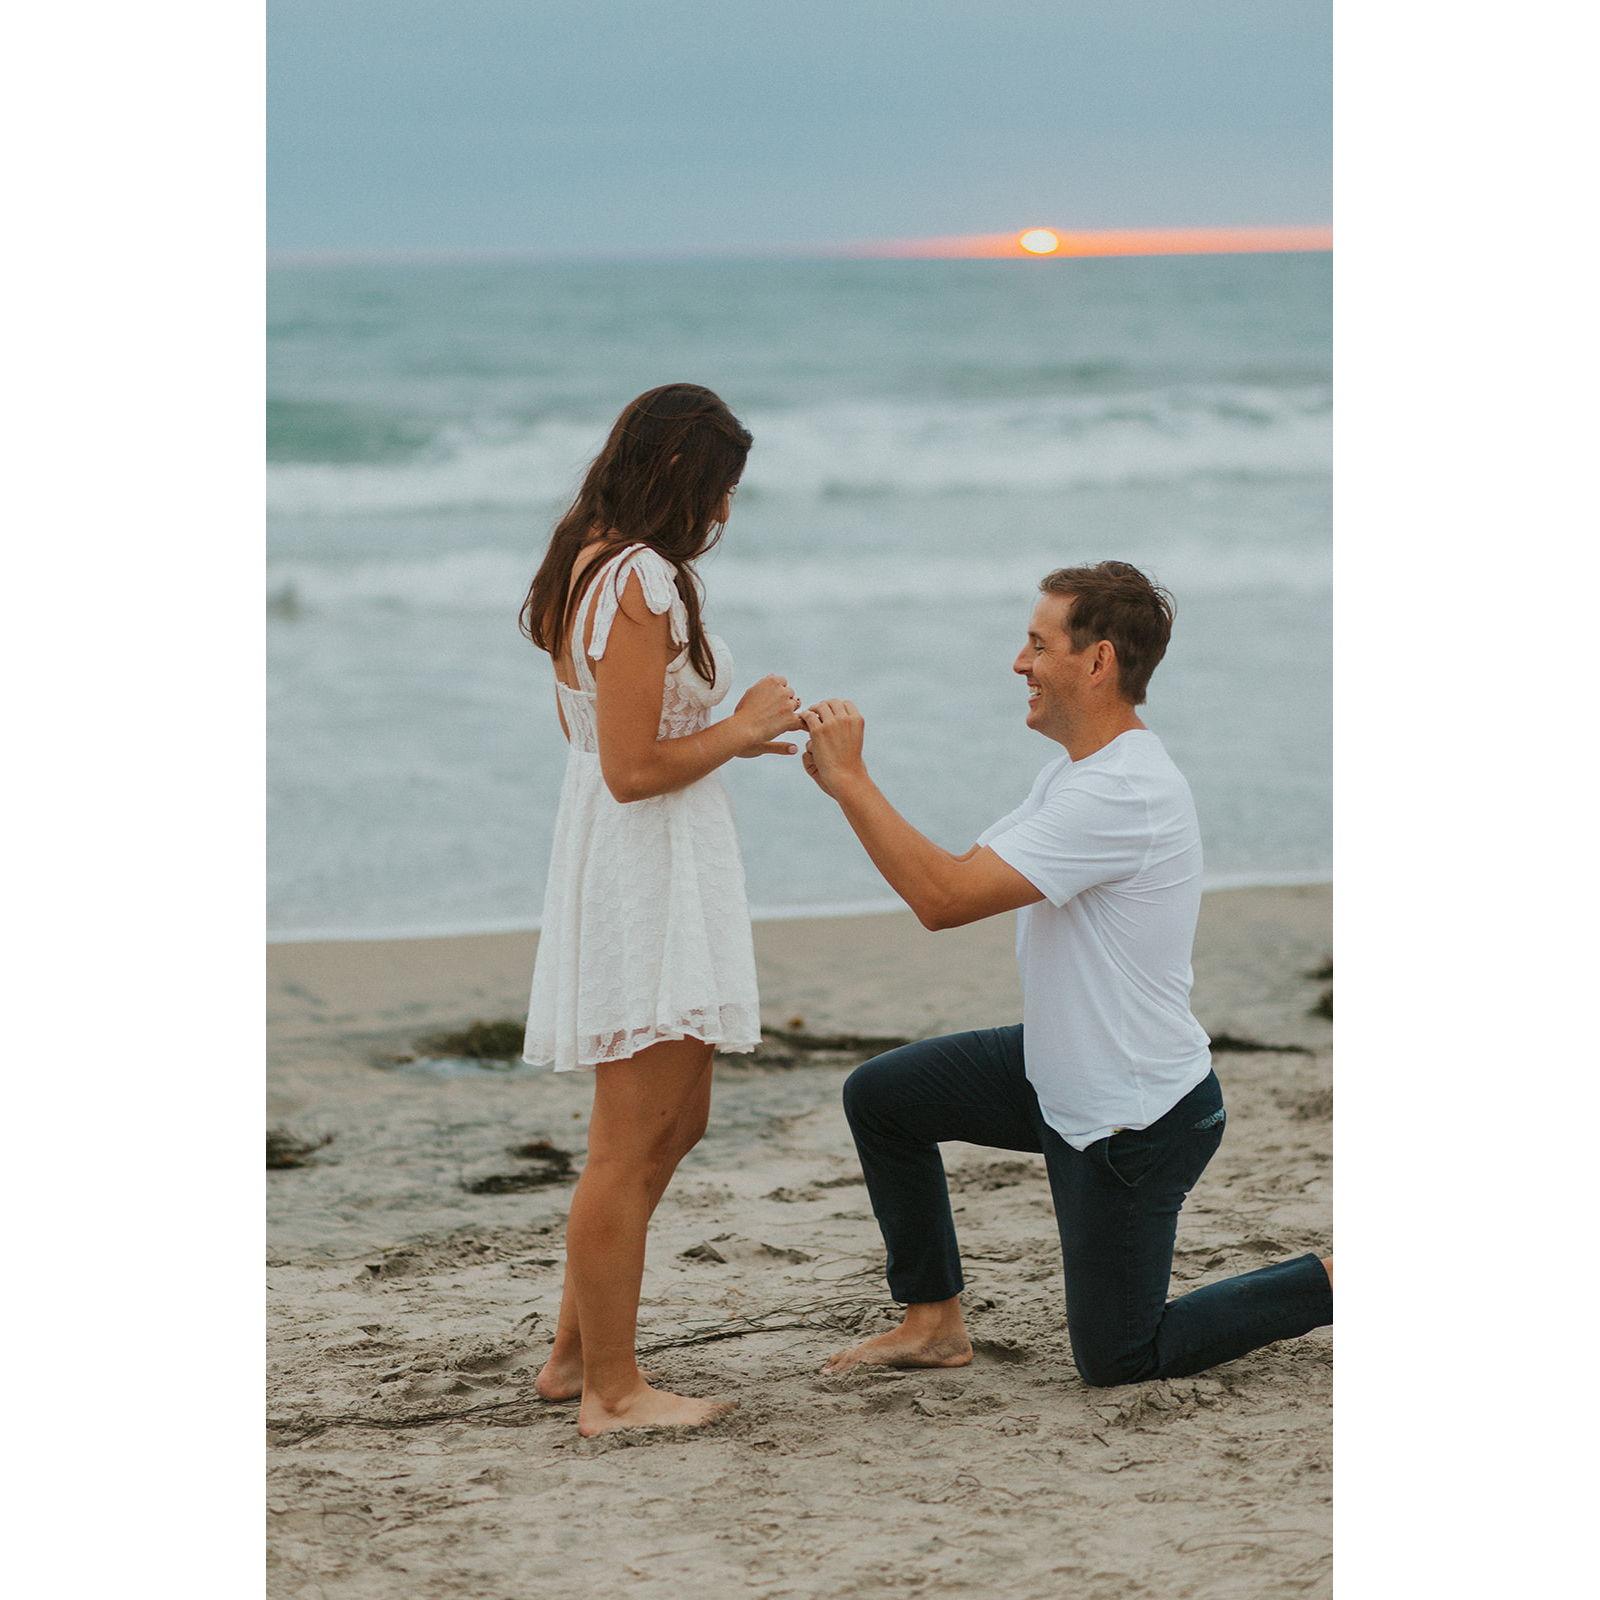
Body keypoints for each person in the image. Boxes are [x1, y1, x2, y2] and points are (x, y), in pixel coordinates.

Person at [797, 561, 1331, 1387]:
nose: (1019, 663)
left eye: (1036, 644)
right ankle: (934, 1322)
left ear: (1097, 661)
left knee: (1120, 1357)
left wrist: (851, 781)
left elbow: (943, 900)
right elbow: (961, 868)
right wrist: (847, 787)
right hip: (1056, 1068)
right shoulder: (1074, 777)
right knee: (884, 1098)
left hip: (1132, 1119)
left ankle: (1335, 1280)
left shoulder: (1124, 795)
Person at [517, 383, 804, 1434]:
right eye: (721, 486)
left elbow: (604, 746)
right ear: (684, 476)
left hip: (637, 854)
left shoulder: (588, 562)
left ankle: (571, 1355)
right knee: (631, 1141)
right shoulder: (636, 576)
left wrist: (723, 733)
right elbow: (633, 768)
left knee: (674, 1121)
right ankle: (612, 1392)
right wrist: (739, 726)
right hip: (644, 860)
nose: (725, 511)